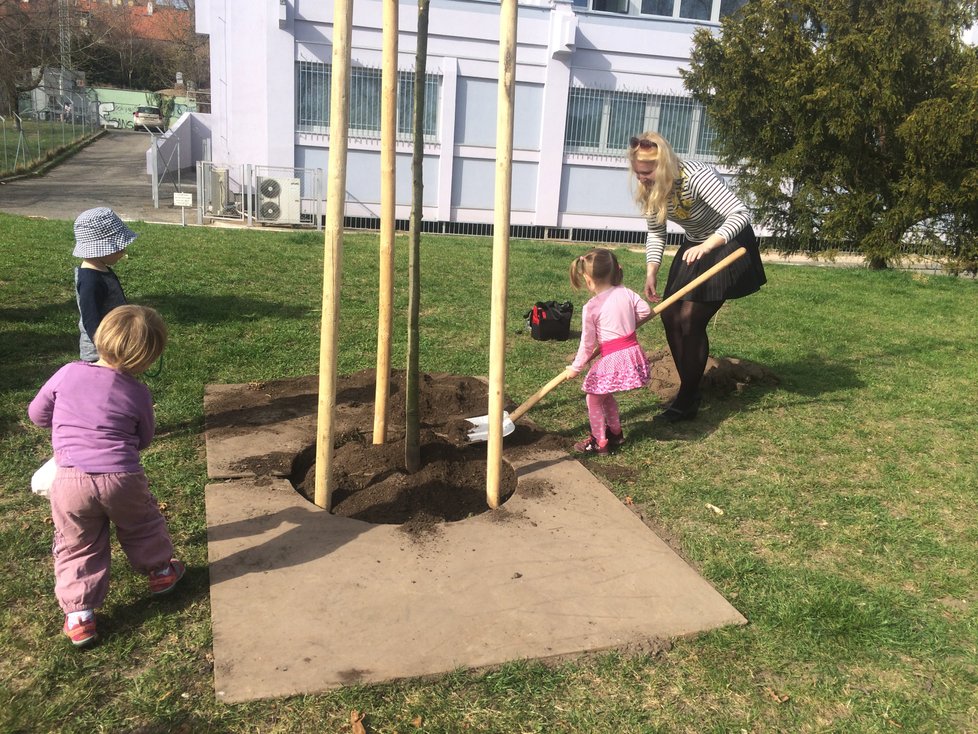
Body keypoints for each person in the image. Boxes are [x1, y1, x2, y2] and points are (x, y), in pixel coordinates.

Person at [28, 305, 184, 648]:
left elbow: (37, 413)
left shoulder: (68, 373)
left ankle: (80, 616)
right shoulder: (139, 393)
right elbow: (144, 438)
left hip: (70, 481)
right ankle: (160, 572)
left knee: (76, 543)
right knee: (142, 524)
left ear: (100, 337)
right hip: (122, 477)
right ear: (149, 357)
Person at [629, 131, 766, 422]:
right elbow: (656, 231)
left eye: (647, 172)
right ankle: (690, 388)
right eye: (638, 173)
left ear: (664, 164)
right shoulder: (652, 188)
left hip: (728, 243)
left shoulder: (696, 176)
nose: (642, 178)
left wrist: (708, 245)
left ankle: (688, 397)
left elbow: (740, 214)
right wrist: (652, 270)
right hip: (697, 244)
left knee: (690, 318)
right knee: (669, 315)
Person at [565, 248, 652, 455]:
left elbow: (587, 344)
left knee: (593, 397)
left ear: (587, 278)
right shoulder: (627, 292)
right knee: (605, 394)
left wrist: (576, 368)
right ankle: (615, 432)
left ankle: (599, 441)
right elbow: (645, 311)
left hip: (614, 357)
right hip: (632, 351)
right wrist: (627, 325)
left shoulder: (592, 307)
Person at [73, 207, 137, 363]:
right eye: (118, 247)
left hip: (113, 340)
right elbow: (91, 319)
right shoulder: (91, 281)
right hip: (100, 353)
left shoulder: (100, 269)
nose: (123, 251)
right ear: (100, 249)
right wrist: (107, 350)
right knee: (105, 385)